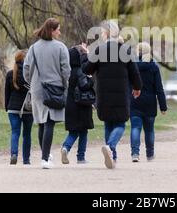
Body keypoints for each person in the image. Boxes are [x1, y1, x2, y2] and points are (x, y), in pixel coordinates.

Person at [81, 20, 142, 169]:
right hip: (121, 92)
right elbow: (134, 72)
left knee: (108, 123)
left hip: (104, 93)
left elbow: (87, 69)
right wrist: (137, 87)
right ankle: (111, 147)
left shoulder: (99, 49)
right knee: (120, 124)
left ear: (106, 33)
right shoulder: (125, 49)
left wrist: (86, 55)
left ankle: (112, 156)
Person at [23, 18, 71, 169]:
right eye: (58, 29)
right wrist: (65, 85)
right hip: (54, 88)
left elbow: (26, 69)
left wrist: (32, 83)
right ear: (51, 30)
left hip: (37, 89)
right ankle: (45, 158)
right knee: (49, 122)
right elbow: (66, 70)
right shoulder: (60, 47)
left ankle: (46, 153)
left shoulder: (33, 48)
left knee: (41, 123)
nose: (60, 32)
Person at [130, 42, 167, 163]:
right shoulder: (154, 67)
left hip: (135, 100)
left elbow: (129, 85)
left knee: (135, 127)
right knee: (149, 130)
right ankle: (150, 154)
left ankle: (135, 153)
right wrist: (163, 106)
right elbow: (159, 88)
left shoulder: (133, 65)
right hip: (150, 102)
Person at [61, 46, 94, 165]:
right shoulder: (81, 71)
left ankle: (66, 147)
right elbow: (84, 86)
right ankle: (81, 157)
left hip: (70, 104)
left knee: (73, 131)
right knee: (83, 131)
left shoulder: (67, 71)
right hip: (82, 105)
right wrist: (91, 80)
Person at [5, 50, 33, 165]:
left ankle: (14, 154)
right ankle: (26, 159)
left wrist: (7, 107)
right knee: (27, 134)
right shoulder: (31, 75)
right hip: (28, 108)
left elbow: (7, 93)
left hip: (13, 107)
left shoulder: (10, 74)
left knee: (15, 132)